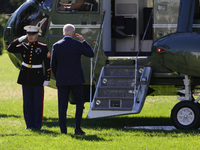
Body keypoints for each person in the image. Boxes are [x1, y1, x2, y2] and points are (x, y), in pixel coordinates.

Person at [51, 24, 94, 135]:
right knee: (80, 102)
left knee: (62, 105)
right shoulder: (77, 44)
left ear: (63, 32)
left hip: (62, 79)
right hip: (76, 79)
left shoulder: (56, 45)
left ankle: (63, 131)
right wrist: (84, 41)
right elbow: (91, 53)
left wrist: (58, 77)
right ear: (74, 34)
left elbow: (53, 65)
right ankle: (77, 128)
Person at [7, 25, 51, 129]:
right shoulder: (23, 46)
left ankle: (37, 125)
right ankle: (29, 124)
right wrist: (19, 40)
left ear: (37, 35)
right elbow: (10, 49)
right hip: (25, 77)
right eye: (28, 34)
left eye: (32, 34)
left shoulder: (43, 47)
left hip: (38, 77)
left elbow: (48, 65)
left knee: (38, 103)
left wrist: (47, 79)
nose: (30, 37)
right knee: (27, 103)